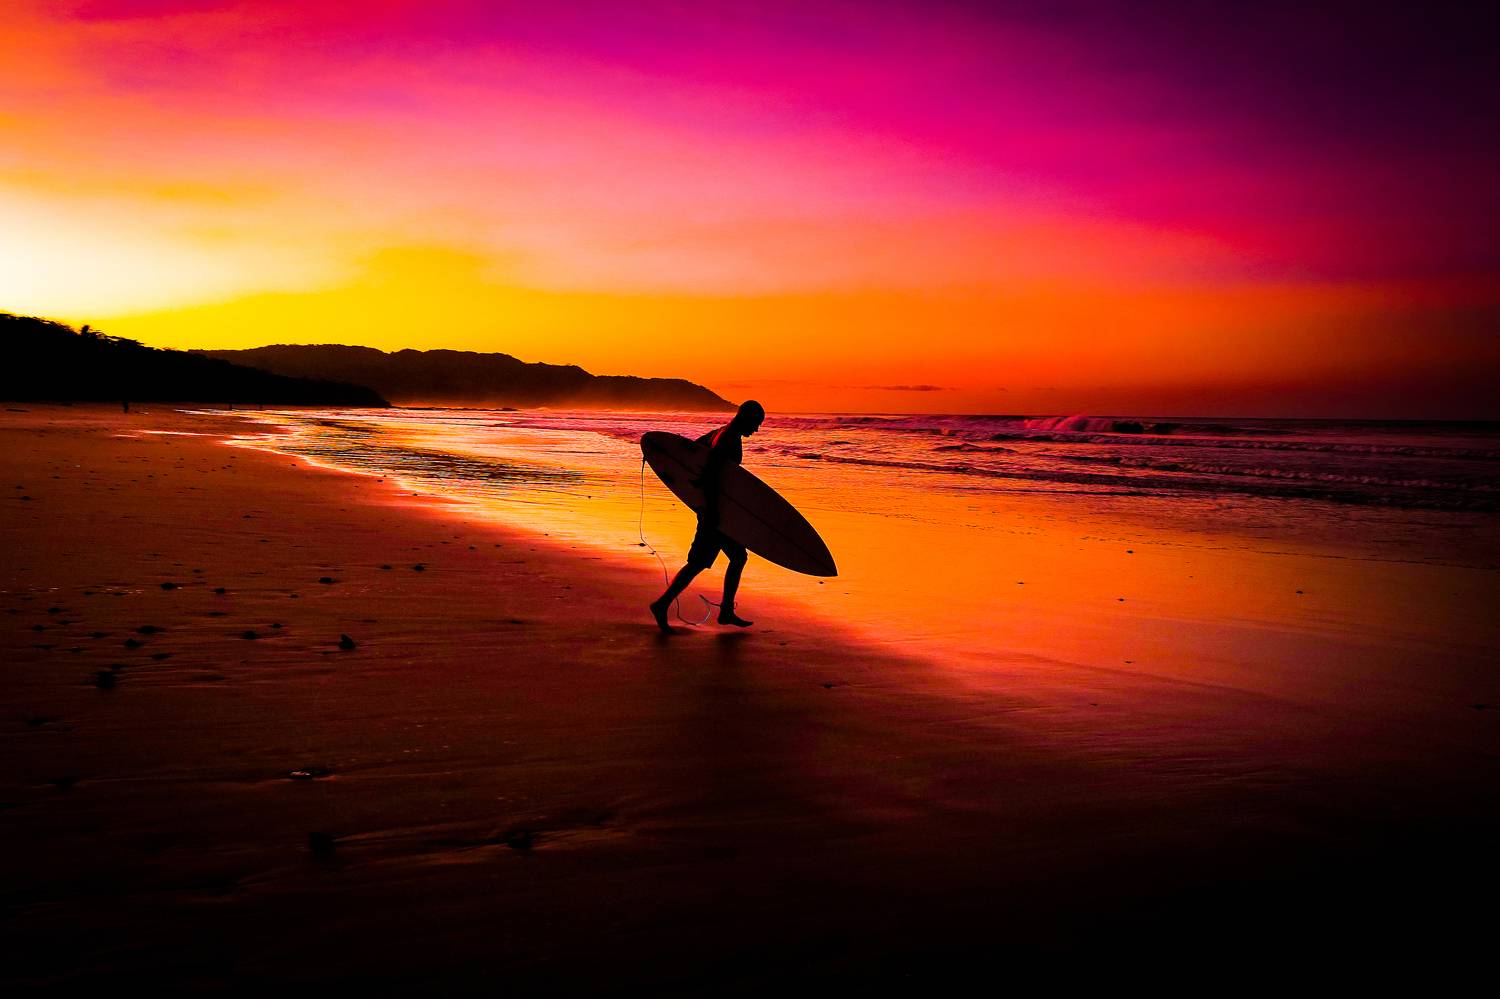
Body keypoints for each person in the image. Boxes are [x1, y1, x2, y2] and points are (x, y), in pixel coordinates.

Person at [650, 400, 765, 633]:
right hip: (715, 513)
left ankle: (725, 611)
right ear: (745, 417)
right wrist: (711, 513)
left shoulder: (720, 433)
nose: (756, 429)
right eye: (756, 423)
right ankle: (662, 605)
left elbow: (692, 454)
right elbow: (712, 475)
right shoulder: (728, 439)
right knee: (701, 562)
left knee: (733, 558)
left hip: (717, 511)